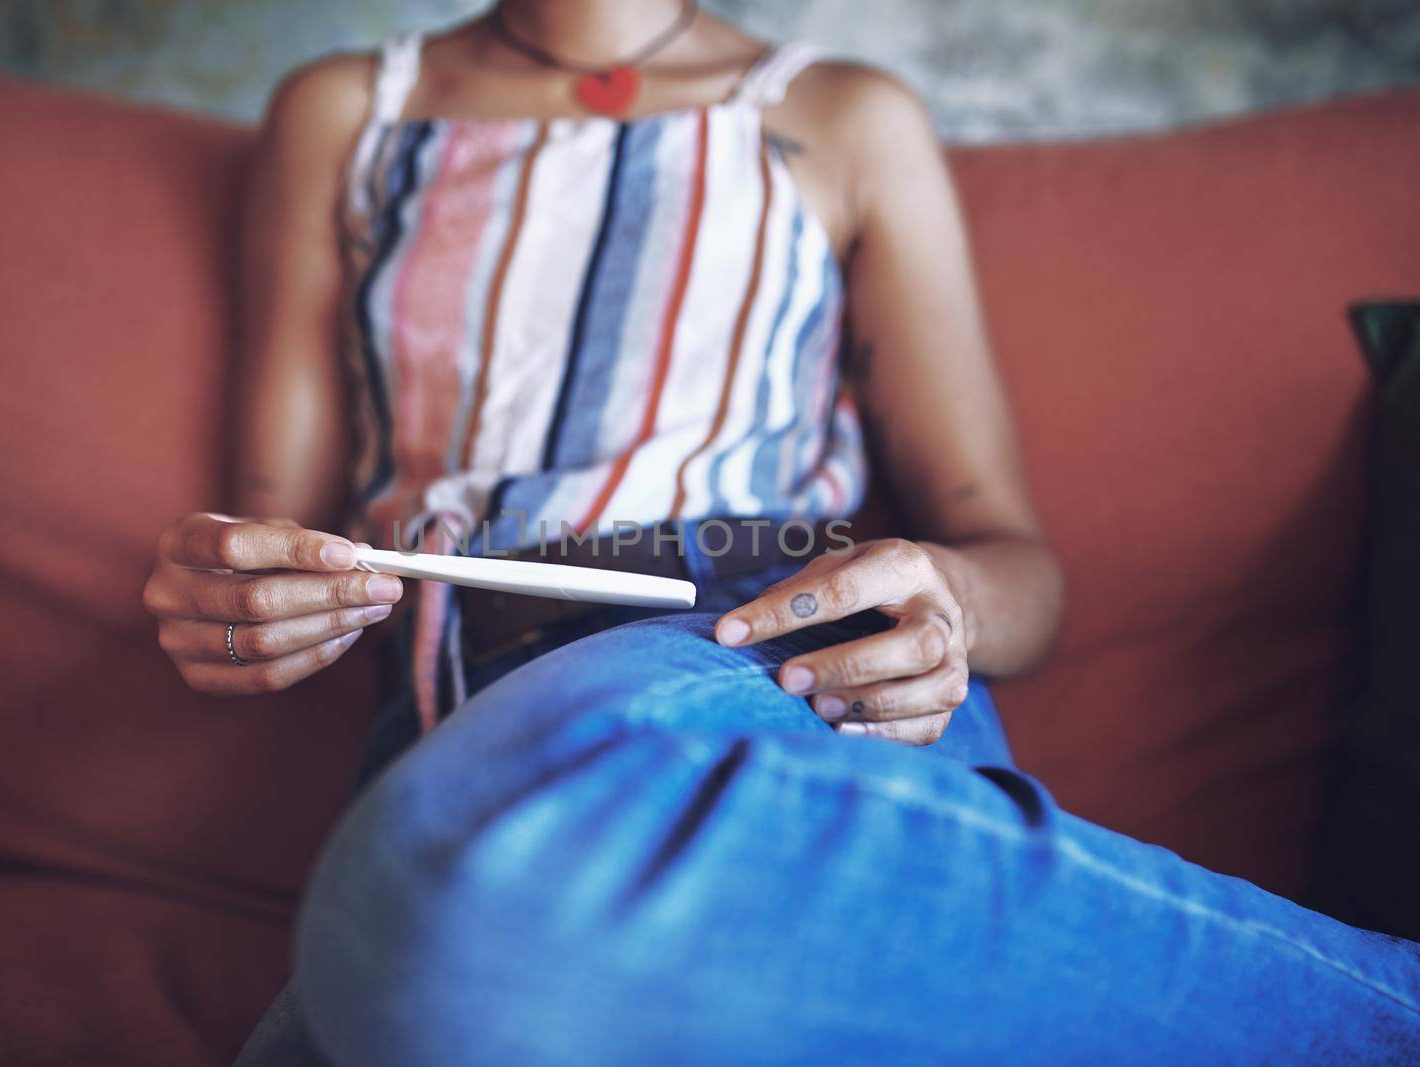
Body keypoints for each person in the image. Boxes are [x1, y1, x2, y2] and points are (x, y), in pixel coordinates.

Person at [137, 2, 1420, 1063]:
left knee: (442, 934)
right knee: (418, 970)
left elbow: (1021, 568)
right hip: (446, 712)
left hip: (755, 637)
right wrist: (235, 593)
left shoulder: (843, 117)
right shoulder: (346, 113)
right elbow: (262, 528)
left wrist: (950, 603)